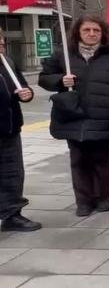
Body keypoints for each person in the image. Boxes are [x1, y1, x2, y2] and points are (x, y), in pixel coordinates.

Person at [39, 15, 109, 218]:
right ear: (78, 33)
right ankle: (83, 200)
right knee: (78, 159)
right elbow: (44, 79)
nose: (91, 34)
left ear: (103, 33)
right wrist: (59, 80)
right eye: (87, 30)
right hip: (73, 115)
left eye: (96, 30)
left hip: (103, 115)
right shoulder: (63, 54)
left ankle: (102, 198)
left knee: (101, 158)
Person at [0, 29, 40, 232]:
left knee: (12, 173)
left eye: (1, 39)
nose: (1, 43)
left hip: (10, 127)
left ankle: (12, 214)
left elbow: (21, 87)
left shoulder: (7, 61)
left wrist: (26, 93)